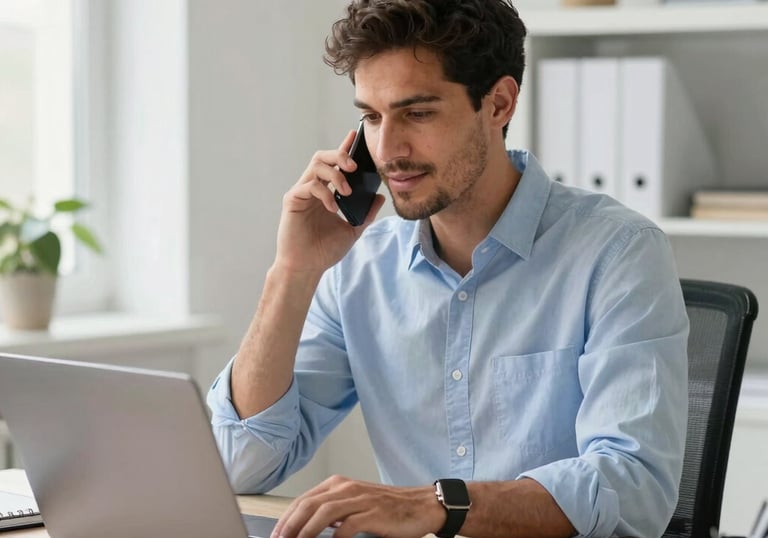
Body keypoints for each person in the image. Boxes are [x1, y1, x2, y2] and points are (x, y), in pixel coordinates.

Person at [207, 1, 689, 537]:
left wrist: (439, 505)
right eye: (370, 117)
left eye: (417, 113)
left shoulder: (618, 252)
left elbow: (634, 485)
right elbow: (238, 464)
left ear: (499, 104)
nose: (387, 151)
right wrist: (292, 273)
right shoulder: (359, 269)